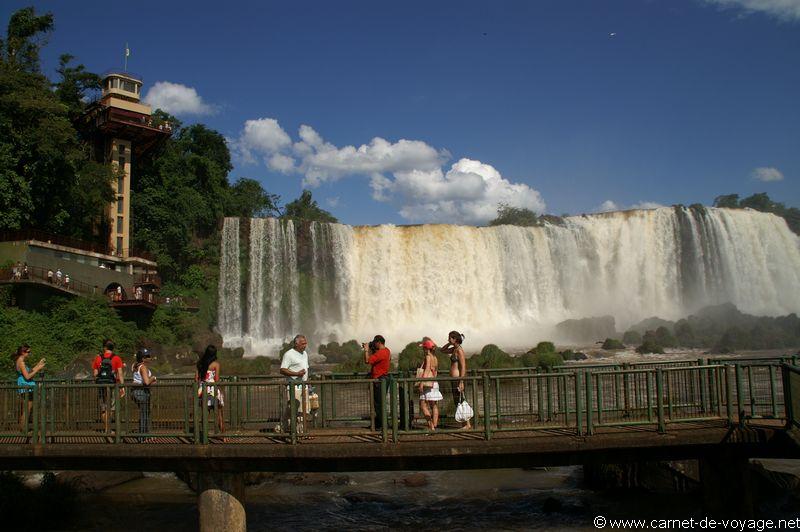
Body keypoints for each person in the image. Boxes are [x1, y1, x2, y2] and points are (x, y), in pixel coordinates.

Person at [93, 340, 125, 433]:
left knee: (103, 408)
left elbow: (95, 374)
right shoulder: (117, 358)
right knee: (111, 407)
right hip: (112, 386)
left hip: (101, 386)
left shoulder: (98, 358)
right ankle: (109, 429)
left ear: (104, 348)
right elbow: (120, 373)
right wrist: (122, 387)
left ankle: (106, 428)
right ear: (112, 348)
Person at [442, 330, 471, 429]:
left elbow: (463, 367)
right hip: (454, 379)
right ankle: (464, 424)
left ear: (455, 339)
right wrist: (449, 343)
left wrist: (461, 381)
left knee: (461, 400)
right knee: (457, 400)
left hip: (458, 379)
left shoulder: (459, 351)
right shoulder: (454, 349)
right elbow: (442, 350)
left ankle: (467, 424)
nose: (448, 339)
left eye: (450, 338)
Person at [280, 335, 309, 432]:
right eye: (303, 343)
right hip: (294, 387)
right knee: (293, 410)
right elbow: (282, 370)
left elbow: (306, 368)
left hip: (304, 386)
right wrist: (297, 373)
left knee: (304, 411)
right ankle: (289, 431)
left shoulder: (305, 353)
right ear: (296, 344)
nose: (305, 345)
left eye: (305, 343)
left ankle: (301, 431)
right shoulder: (288, 354)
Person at [13, 345, 45, 430]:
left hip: (26, 387)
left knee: (27, 409)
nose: (29, 353)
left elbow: (30, 371)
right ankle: (23, 429)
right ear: (23, 352)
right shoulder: (21, 362)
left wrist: (38, 364)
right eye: (28, 352)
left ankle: (23, 429)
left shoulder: (20, 361)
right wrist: (38, 369)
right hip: (26, 387)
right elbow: (27, 376)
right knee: (27, 410)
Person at [363, 335, 390, 430]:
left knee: (379, 404)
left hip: (379, 380)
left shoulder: (381, 353)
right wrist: (371, 348)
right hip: (383, 379)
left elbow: (367, 360)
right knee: (379, 403)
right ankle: (380, 424)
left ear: (379, 342)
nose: (374, 344)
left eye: (375, 343)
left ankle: (383, 425)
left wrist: (366, 350)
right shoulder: (387, 350)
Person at [196, 345, 225, 435]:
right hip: (213, 389)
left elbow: (196, 379)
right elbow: (216, 379)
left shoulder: (199, 364)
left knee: (205, 414)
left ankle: (204, 435)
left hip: (202, 391)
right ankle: (223, 435)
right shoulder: (216, 365)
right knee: (219, 414)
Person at [418, 339, 442, 431]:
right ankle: (435, 425)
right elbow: (435, 372)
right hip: (434, 382)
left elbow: (427, 370)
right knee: (434, 405)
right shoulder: (435, 358)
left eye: (423, 347)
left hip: (427, 382)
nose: (423, 349)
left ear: (426, 348)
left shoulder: (428, 357)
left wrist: (422, 382)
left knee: (423, 405)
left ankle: (431, 426)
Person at [131, 349, 156, 439]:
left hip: (136, 392)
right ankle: (142, 436)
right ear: (143, 358)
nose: (150, 358)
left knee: (144, 413)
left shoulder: (136, 366)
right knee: (144, 414)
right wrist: (153, 378)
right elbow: (146, 382)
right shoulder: (143, 367)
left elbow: (139, 381)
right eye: (147, 356)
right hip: (141, 393)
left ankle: (145, 435)